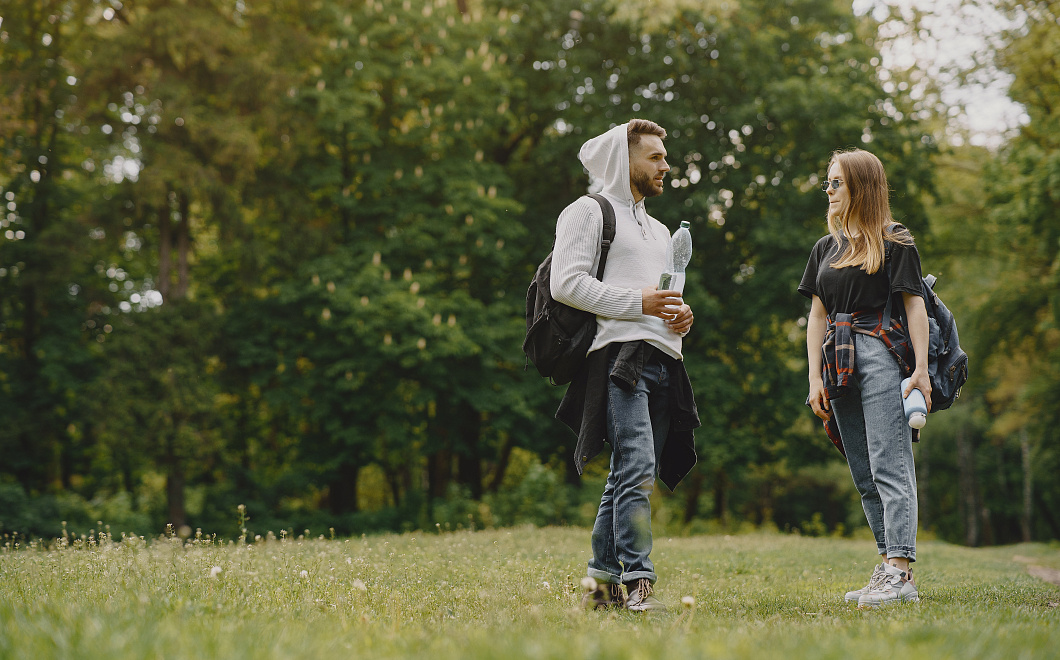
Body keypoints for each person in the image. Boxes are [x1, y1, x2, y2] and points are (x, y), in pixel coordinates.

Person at [551, 120, 700, 612]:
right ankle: (640, 583)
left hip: (664, 361)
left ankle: (599, 585)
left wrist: (681, 316)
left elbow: (663, 300)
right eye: (655, 156)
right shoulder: (588, 212)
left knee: (629, 472)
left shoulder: (659, 230)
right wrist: (641, 303)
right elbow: (566, 284)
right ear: (625, 159)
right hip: (618, 360)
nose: (665, 165)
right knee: (636, 467)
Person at [799, 148, 931, 607]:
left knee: (889, 463)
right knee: (862, 469)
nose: (830, 191)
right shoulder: (825, 248)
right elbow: (816, 316)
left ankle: (901, 569)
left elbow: (915, 307)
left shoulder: (894, 241)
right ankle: (887, 566)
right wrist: (814, 377)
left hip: (879, 356)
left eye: (837, 182)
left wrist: (919, 370)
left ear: (861, 186)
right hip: (836, 359)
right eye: (828, 183)